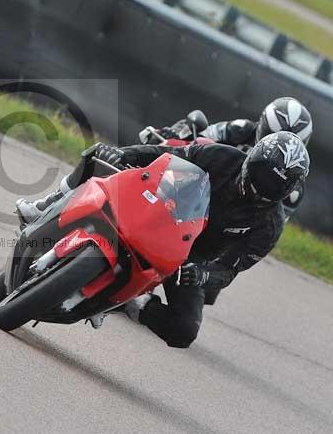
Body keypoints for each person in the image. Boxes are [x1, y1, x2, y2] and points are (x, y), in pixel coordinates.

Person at [16, 131, 310, 348]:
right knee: (97, 155)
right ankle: (49, 204)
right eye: (262, 174)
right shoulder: (222, 156)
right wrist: (122, 154)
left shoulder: (269, 227)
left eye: (274, 186)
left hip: (189, 258)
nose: (262, 188)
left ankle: (131, 304)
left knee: (184, 331)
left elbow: (229, 270)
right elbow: (164, 155)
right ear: (253, 159)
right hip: (165, 210)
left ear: (288, 192)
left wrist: (201, 274)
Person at [139, 97, 313, 218]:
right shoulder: (242, 128)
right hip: (196, 186)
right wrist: (174, 135)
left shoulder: (293, 185)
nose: (279, 145)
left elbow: (268, 226)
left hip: (230, 217)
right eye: (272, 135)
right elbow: (199, 136)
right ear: (263, 125)